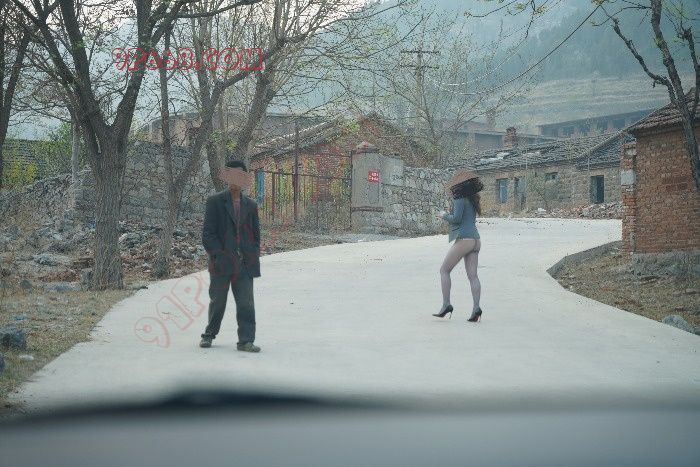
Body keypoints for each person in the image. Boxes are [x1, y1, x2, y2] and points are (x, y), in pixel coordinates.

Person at [199, 160, 262, 352]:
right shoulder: (215, 202)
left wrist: (252, 255)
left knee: (246, 303)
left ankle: (246, 341)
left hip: (244, 264)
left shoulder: (251, 205)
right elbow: (208, 234)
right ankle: (209, 334)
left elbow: (256, 236)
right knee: (217, 301)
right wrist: (219, 255)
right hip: (221, 263)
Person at [433, 169, 484, 322]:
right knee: (473, 276)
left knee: (444, 270)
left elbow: (456, 219)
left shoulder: (460, 198)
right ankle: (476, 308)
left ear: (458, 185)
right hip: (476, 240)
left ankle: (446, 304)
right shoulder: (473, 199)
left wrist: (444, 215)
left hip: (464, 239)